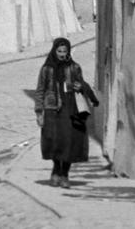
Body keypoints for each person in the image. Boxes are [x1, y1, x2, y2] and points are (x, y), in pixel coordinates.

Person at [33, 36, 99, 187]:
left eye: (65, 51)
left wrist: (83, 89)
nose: (62, 54)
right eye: (59, 51)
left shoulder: (74, 67)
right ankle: (56, 169)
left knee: (70, 141)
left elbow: (83, 83)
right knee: (55, 141)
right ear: (54, 51)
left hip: (71, 108)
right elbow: (40, 90)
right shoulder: (47, 69)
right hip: (52, 110)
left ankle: (65, 174)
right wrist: (39, 112)